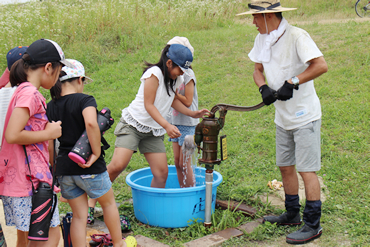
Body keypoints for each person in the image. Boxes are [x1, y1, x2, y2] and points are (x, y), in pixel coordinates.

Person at [237, 0, 328, 245]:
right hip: (282, 116)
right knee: (285, 166)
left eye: (255, 18)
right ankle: (292, 214)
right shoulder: (262, 39)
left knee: (306, 170)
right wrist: (263, 86)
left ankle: (313, 224)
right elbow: (257, 69)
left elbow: (321, 65)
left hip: (304, 115)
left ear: (269, 17)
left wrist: (294, 81)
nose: (253, 22)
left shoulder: (298, 36)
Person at [87, 43, 209, 224]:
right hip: (134, 125)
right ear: (169, 63)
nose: (182, 73)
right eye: (180, 69)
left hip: (153, 131)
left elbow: (171, 100)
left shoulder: (176, 79)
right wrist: (167, 125)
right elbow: (149, 105)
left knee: (161, 173)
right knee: (117, 165)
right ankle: (89, 206)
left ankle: (152, 212)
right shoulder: (153, 74)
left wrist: (192, 113)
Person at [47, 59, 136, 247]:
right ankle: (119, 243)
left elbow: (50, 141)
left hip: (65, 168)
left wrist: (54, 168)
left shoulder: (51, 105)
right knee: (109, 204)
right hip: (90, 167)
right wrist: (95, 152)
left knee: (79, 216)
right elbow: (91, 123)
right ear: (79, 80)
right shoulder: (85, 100)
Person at [0, 39, 69, 247]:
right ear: (48, 67)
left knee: (31, 239)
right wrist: (50, 133)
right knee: (51, 237)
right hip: (31, 182)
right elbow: (13, 135)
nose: (58, 79)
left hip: (21, 179)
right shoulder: (31, 93)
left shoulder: (21, 90)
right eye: (58, 72)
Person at [166, 37, 198, 187]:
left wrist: (172, 92)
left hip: (188, 124)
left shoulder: (188, 75)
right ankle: (182, 190)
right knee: (177, 163)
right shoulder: (172, 73)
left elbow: (188, 101)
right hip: (175, 123)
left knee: (185, 163)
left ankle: (191, 192)